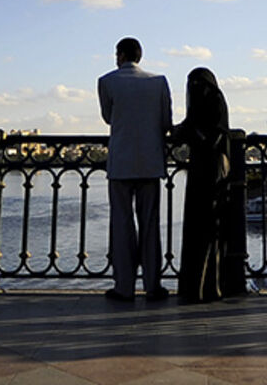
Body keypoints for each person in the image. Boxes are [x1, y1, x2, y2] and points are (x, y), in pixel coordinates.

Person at [98, 37, 172, 302]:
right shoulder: (159, 81)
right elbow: (165, 121)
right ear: (140, 56)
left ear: (120, 55)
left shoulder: (106, 82)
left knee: (121, 224)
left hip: (120, 163)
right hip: (151, 163)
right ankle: (153, 286)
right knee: (150, 224)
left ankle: (124, 287)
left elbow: (109, 117)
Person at [174, 67, 232, 303]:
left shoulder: (203, 103)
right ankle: (212, 287)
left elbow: (197, 133)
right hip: (217, 171)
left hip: (204, 171)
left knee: (200, 231)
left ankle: (195, 288)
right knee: (212, 231)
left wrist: (182, 131)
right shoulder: (216, 101)